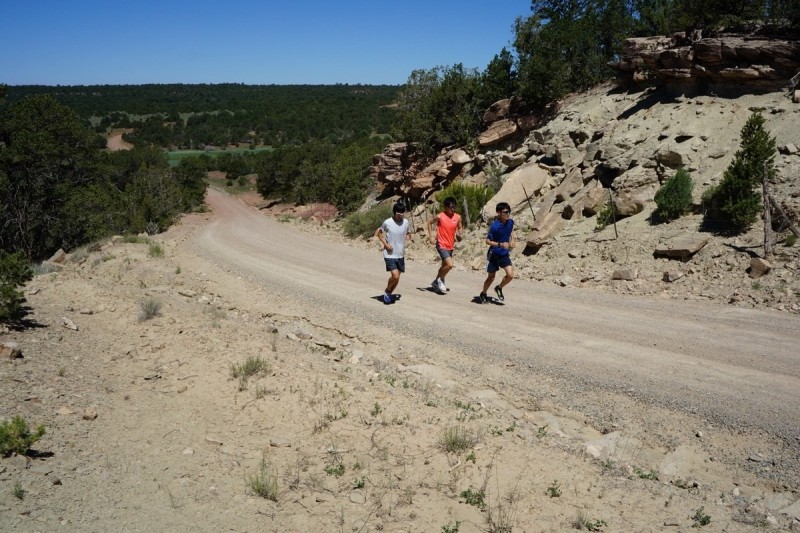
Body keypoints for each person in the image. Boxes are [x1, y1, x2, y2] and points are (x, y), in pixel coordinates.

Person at [375, 201, 411, 304]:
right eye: (398, 212)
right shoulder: (387, 222)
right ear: (394, 212)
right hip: (389, 254)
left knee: (397, 277)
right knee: (395, 276)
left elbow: (408, 232)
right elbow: (378, 233)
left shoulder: (406, 222)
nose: (400, 214)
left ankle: (389, 294)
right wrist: (386, 245)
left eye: (402, 212)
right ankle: (387, 290)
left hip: (400, 254)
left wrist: (408, 236)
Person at [480, 202, 515, 303]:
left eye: (509, 211)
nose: (508, 214)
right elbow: (487, 241)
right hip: (493, 254)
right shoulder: (495, 226)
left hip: (504, 254)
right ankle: (483, 293)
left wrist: (513, 239)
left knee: (510, 275)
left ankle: (499, 288)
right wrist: (500, 244)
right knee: (491, 277)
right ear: (499, 213)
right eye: (506, 212)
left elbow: (511, 231)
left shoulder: (510, 222)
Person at [427, 196, 463, 294]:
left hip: (450, 245)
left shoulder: (458, 217)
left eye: (454, 207)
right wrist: (431, 236)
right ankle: (441, 280)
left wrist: (460, 233)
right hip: (441, 243)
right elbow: (429, 223)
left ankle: (436, 282)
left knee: (444, 266)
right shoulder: (440, 216)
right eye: (451, 207)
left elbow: (460, 228)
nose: (453, 209)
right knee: (450, 265)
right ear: (445, 207)